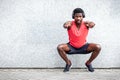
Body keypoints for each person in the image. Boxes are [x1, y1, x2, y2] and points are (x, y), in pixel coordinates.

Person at [57, 8, 101, 72]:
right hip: (71, 47)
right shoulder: (70, 23)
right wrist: (66, 25)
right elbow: (65, 25)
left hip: (84, 46)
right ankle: (68, 63)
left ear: (83, 16)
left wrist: (91, 24)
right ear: (73, 17)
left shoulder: (86, 24)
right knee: (60, 47)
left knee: (98, 47)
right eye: (76, 16)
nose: (78, 18)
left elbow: (92, 24)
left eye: (80, 16)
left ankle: (88, 63)